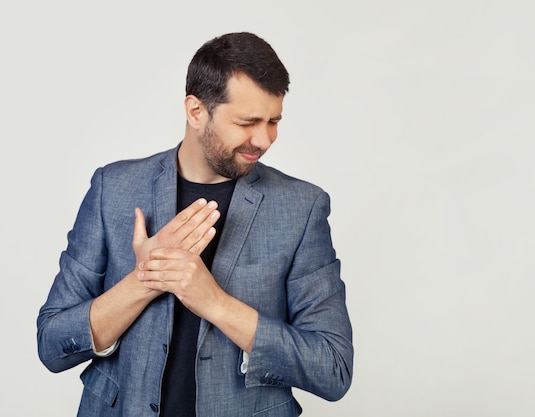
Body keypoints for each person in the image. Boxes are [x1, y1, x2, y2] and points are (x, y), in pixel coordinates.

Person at [37, 32, 353, 417]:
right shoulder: (113, 189)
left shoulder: (302, 207)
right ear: (195, 111)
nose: (265, 138)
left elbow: (333, 368)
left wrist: (215, 303)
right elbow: (52, 345)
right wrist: (144, 279)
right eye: (247, 121)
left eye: (273, 121)